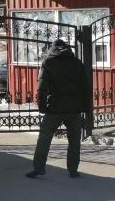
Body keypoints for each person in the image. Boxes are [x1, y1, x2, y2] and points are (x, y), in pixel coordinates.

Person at [26, 39, 89, 179]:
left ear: (52, 48)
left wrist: (42, 107)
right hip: (74, 108)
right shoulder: (77, 63)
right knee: (74, 140)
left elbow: (42, 87)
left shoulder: (49, 62)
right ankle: (73, 170)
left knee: (45, 137)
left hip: (55, 107)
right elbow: (85, 86)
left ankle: (39, 167)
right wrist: (85, 107)